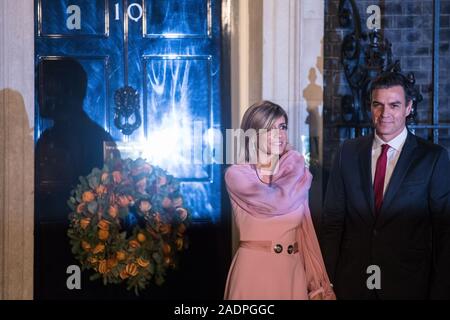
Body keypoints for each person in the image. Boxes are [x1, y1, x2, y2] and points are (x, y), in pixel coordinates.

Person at [320, 71, 450, 299]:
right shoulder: (347, 153)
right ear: (370, 107)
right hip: (351, 284)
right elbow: (332, 223)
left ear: (409, 107)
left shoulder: (433, 158)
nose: (384, 114)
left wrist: (439, 291)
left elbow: (444, 232)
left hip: (409, 286)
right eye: (378, 105)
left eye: (394, 105)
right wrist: (325, 282)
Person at [224, 100, 335, 300]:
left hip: (292, 272)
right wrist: (295, 165)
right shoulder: (237, 175)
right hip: (254, 272)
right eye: (269, 129)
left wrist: (315, 282)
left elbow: (305, 233)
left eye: (282, 127)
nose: (280, 135)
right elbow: (276, 202)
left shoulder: (296, 176)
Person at [35, 58, 119, 299]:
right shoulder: (96, 137)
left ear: (65, 91)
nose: (39, 95)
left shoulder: (89, 139)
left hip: (74, 251)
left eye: (43, 86)